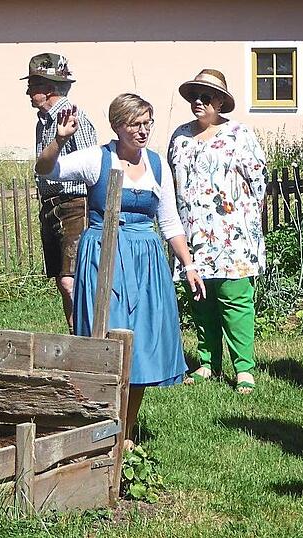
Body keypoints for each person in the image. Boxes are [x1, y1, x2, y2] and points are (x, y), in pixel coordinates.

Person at [35, 93, 205, 445]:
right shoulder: (96, 159)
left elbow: (170, 221)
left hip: (145, 262)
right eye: (135, 124)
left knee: (139, 345)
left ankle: (125, 430)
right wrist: (60, 139)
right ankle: (101, 424)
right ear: (117, 126)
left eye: (147, 123)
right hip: (104, 255)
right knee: (105, 340)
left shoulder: (157, 165)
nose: (143, 131)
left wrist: (188, 264)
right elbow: (45, 169)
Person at [168, 69, 267, 394]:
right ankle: (207, 363)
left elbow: (259, 182)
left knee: (235, 299)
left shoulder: (240, 134)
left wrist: (245, 220)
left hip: (232, 235)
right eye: (194, 96)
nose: (198, 101)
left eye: (206, 96)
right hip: (192, 237)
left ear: (221, 102)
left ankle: (244, 369)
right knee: (201, 300)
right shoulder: (180, 137)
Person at [24, 52, 98, 332]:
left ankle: (91, 335)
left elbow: (92, 164)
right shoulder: (43, 121)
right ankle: (75, 336)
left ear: (50, 88)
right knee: (61, 278)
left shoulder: (74, 118)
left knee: (72, 279)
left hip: (74, 203)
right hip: (51, 205)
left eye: (33, 85)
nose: (28, 92)